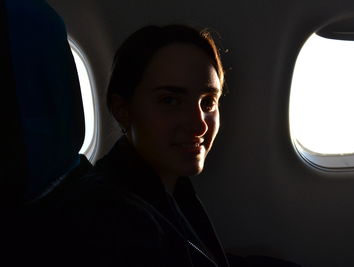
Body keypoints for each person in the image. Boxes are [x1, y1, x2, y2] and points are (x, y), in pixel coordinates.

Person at [32, 24, 229, 267]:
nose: (199, 125)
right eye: (170, 100)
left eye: (208, 102)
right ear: (123, 110)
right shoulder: (113, 221)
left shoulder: (168, 187)